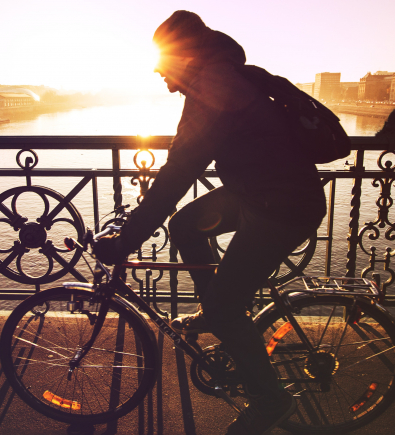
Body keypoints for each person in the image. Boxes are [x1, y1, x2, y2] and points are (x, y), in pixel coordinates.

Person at [93, 10, 328, 435]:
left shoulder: (214, 88)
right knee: (185, 225)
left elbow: (178, 174)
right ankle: (217, 310)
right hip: (262, 192)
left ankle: (270, 399)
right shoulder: (223, 75)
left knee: (225, 307)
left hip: (283, 206)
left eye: (162, 68)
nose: (162, 80)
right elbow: (180, 173)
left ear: (183, 58)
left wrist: (124, 242)